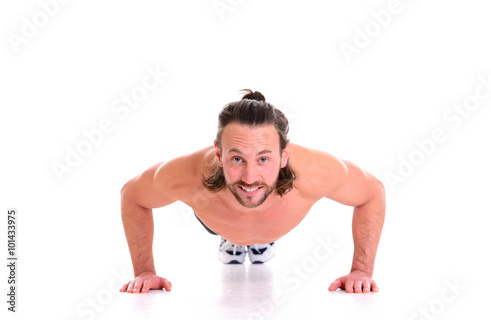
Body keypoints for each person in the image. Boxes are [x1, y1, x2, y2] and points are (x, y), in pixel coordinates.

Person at [119, 89, 385, 294]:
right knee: (232, 205)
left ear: (284, 155)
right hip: (218, 219)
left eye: (263, 159)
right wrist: (144, 271)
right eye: (236, 159)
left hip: (275, 220)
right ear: (218, 153)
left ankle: (259, 241)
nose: (249, 176)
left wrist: (361, 270)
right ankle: (231, 239)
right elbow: (132, 195)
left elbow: (372, 192)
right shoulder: (187, 176)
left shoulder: (318, 172)